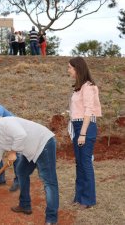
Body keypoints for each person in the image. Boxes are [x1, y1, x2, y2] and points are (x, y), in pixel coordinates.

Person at [0, 117, 59, 225]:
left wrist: (13, 152)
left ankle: (51, 220)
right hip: (29, 150)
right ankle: (25, 205)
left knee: (49, 182)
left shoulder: (4, 123)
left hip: (43, 144)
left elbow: (21, 135)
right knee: (21, 171)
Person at [67, 57, 102, 209]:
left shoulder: (88, 86)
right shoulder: (79, 87)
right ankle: (79, 196)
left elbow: (88, 110)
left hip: (85, 126)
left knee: (85, 163)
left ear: (77, 68)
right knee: (79, 163)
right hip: (77, 125)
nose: (68, 70)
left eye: (70, 67)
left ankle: (88, 200)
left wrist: (82, 133)